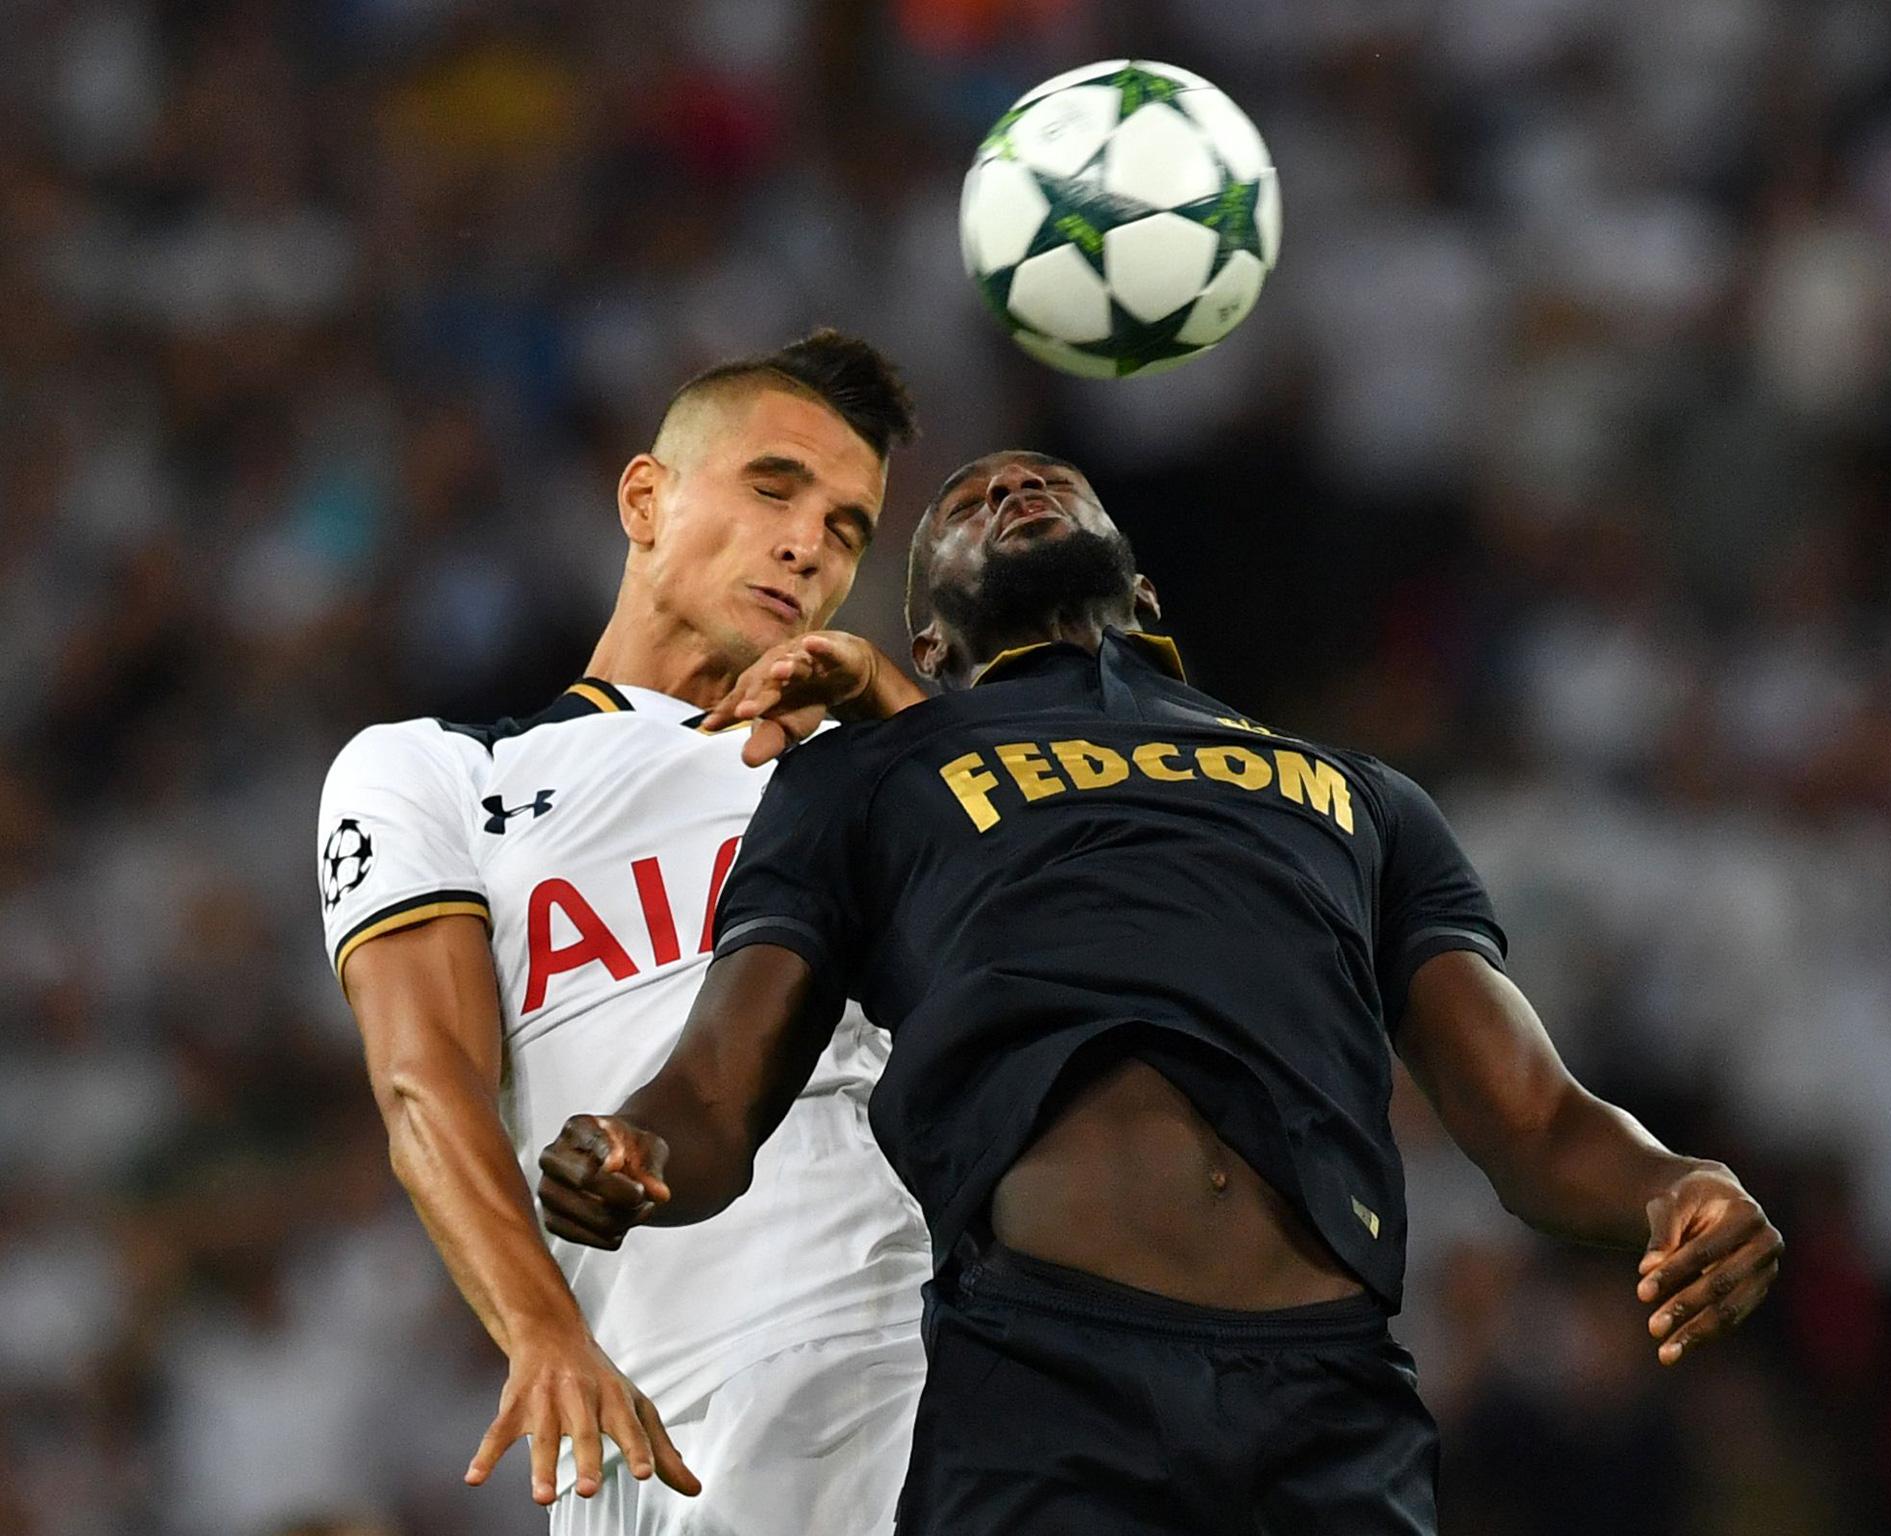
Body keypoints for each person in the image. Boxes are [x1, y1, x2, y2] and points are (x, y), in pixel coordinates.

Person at [538, 450, 1785, 1533]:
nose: (1013, 487)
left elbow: (1531, 1117)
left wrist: (1670, 1182)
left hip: (1328, 1405)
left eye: (1045, 483)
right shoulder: (862, 778)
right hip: (1051, 1387)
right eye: (969, 500)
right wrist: (634, 1145)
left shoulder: (1358, 793)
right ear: (927, 645)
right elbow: (715, 1088)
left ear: (1142, 589)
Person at [314, 331, 935, 1535]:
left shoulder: (860, 778)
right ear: (645, 498)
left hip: (901, 1352)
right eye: (773, 488)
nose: (809, 544)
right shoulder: (434, 774)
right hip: (632, 1420)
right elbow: (423, 1079)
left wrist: (899, 717)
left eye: (849, 528)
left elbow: (1059, 901)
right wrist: (539, 1331)